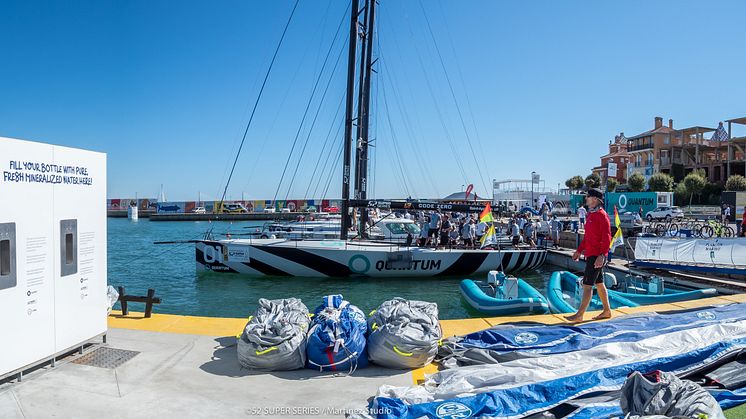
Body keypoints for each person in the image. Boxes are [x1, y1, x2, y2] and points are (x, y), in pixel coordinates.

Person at [566, 188, 612, 322]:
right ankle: (607, 311)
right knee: (599, 284)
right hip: (591, 254)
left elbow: (607, 237)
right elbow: (587, 237)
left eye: (588, 197)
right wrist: (579, 250)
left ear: (595, 200)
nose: (586, 199)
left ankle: (579, 315)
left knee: (587, 286)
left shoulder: (602, 216)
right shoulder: (591, 215)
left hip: (596, 256)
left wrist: (602, 255)